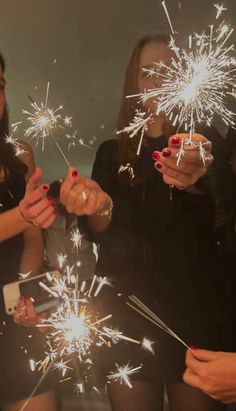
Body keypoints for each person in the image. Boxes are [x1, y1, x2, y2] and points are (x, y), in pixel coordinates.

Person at [61, 34, 235, 411]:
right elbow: (104, 230)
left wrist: (198, 170)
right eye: (147, 72)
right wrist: (96, 206)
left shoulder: (205, 142)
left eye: (167, 69)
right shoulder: (111, 153)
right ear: (134, 83)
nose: (157, 80)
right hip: (128, 314)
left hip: (195, 314)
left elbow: (215, 190)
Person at [0, 52, 59, 411]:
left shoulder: (20, 154)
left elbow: (34, 239)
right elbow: (28, 221)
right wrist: (23, 216)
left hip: (16, 317)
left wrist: (24, 292)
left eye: (0, 85)